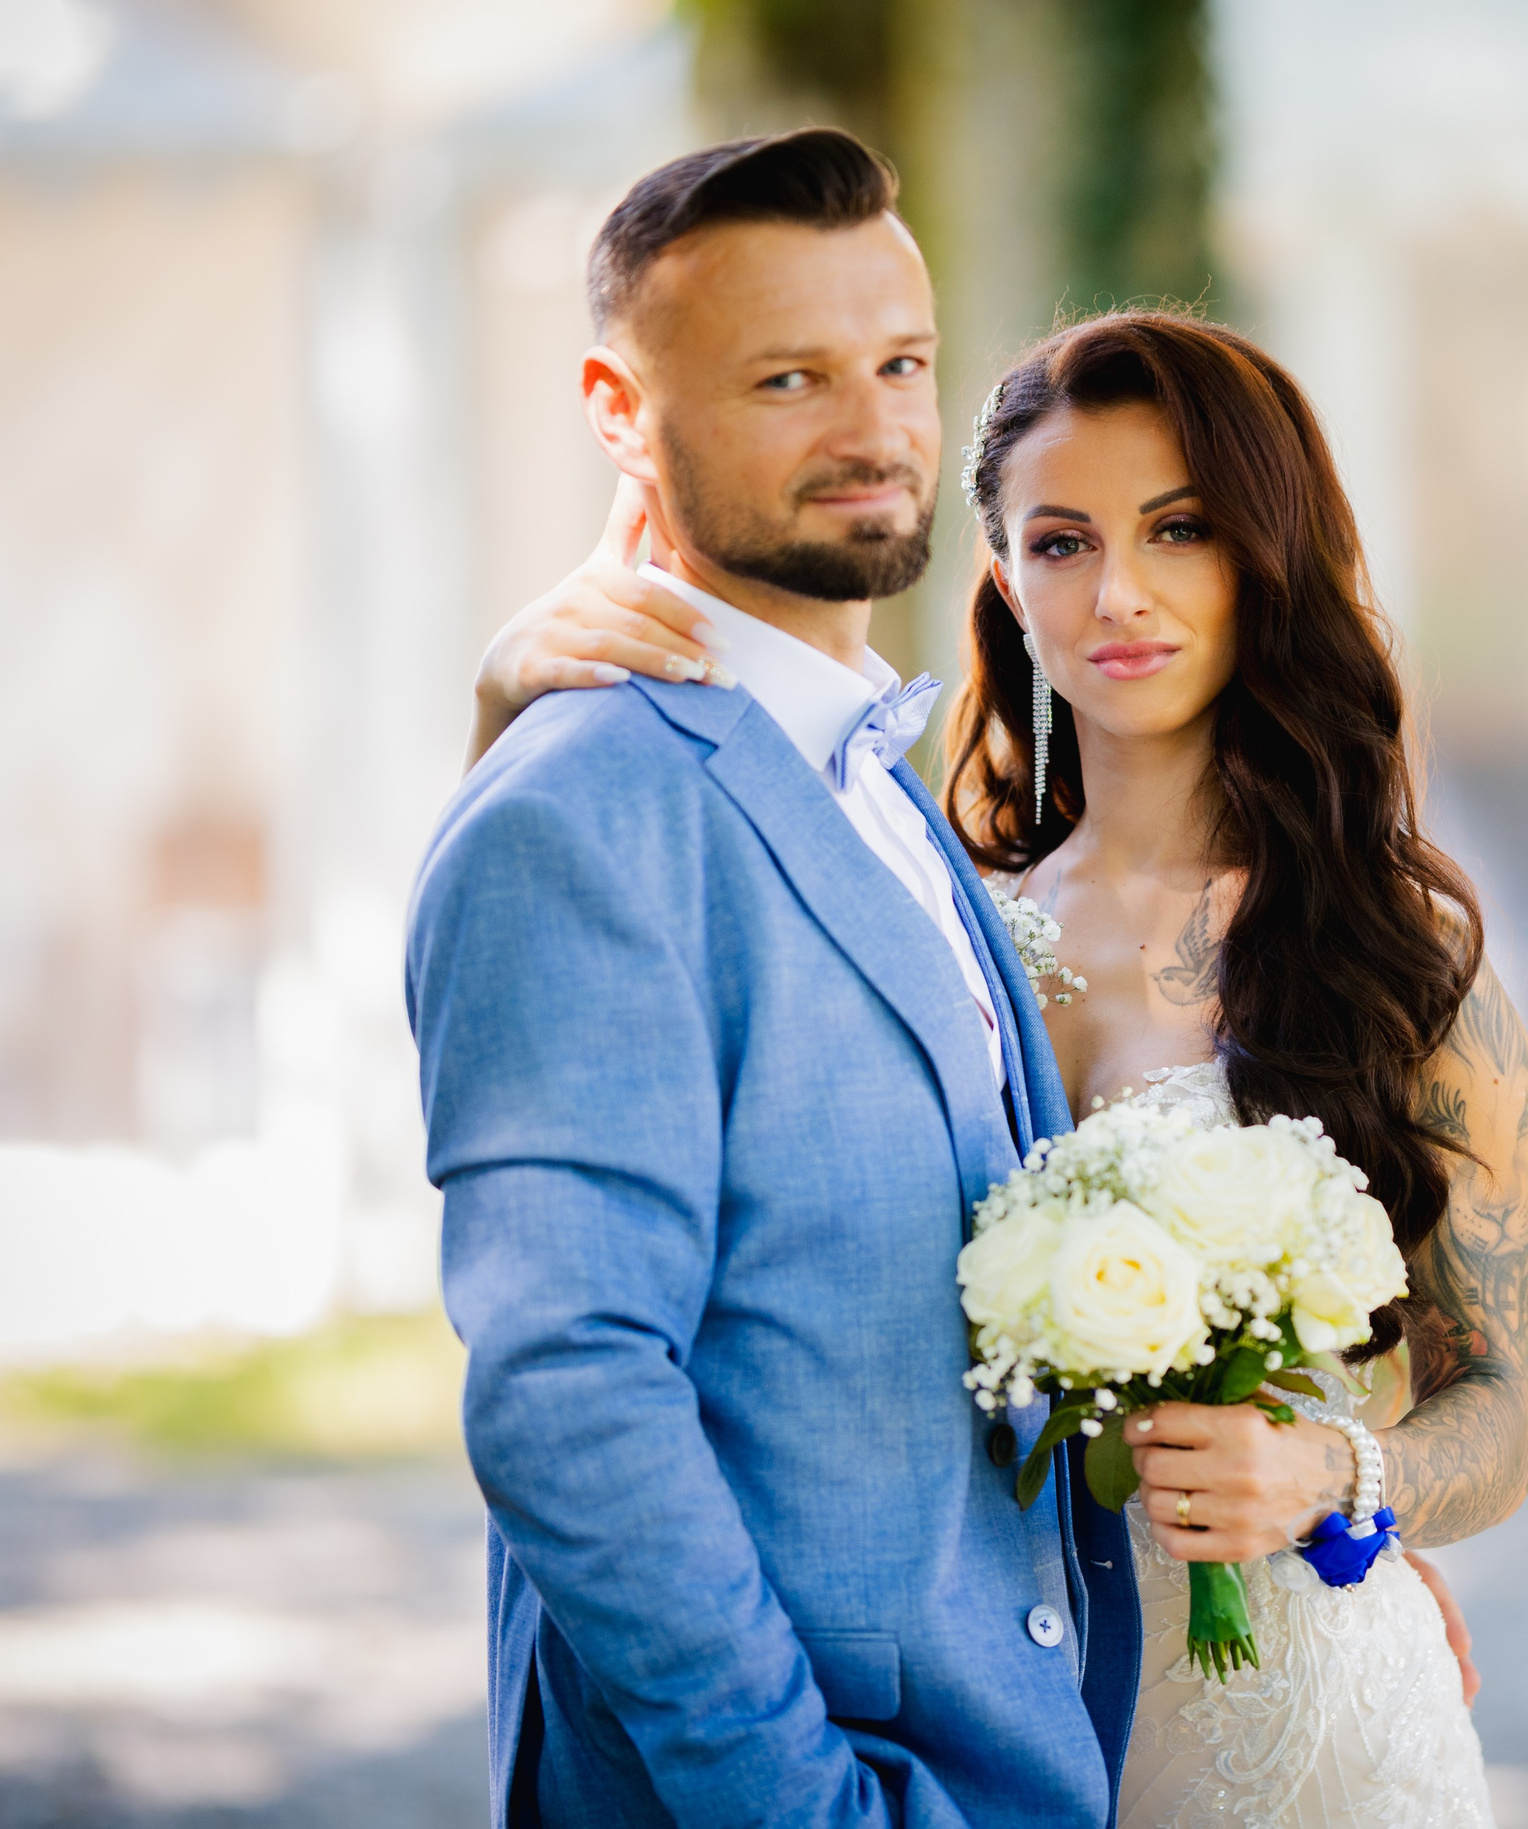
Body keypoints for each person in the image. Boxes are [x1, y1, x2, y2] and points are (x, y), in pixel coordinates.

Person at [470, 203, 1528, 1829]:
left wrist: (1340, 1481)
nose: (1121, 592)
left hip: (1311, 1714)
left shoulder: (1401, 956)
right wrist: (507, 718)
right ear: (1004, 580)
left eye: (1180, 529)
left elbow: (1499, 1405)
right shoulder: (925, 903)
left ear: (1267, 556)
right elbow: (591, 1040)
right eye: (1062, 541)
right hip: (994, 1707)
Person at [410, 130, 1138, 1829]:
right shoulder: (580, 809)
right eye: (789, 378)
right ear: (621, 411)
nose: (875, 430)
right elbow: (570, 1394)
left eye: (901, 365)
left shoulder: (879, 779)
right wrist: (801, 1805)